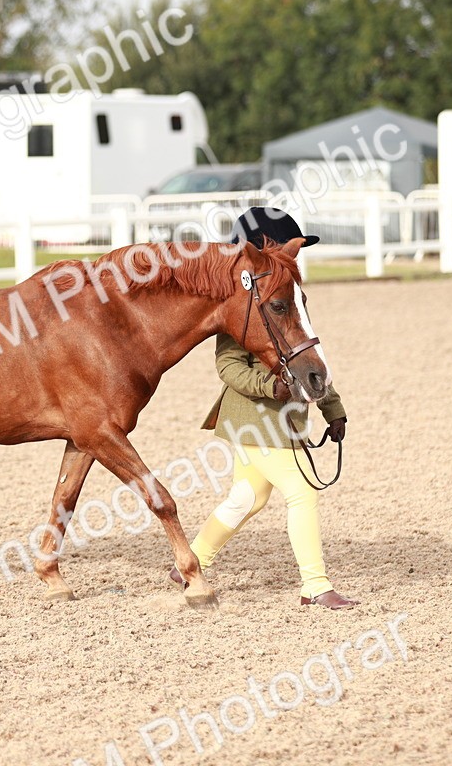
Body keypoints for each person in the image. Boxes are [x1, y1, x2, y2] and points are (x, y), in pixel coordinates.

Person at [173, 207, 359, 610]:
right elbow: (228, 367)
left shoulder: (288, 294)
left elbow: (306, 356)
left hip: (281, 419)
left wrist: (332, 408)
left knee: (247, 498)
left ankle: (191, 561)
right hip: (255, 418)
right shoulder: (241, 304)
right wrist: (268, 386)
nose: (295, 260)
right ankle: (315, 585)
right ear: (259, 254)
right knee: (301, 491)